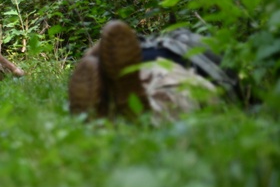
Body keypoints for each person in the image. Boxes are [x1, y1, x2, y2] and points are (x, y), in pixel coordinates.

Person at [68, 19, 239, 122]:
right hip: (175, 68)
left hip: (137, 67)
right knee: (173, 94)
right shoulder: (207, 46)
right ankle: (136, 114)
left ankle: (107, 109)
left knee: (162, 89)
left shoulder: (147, 43)